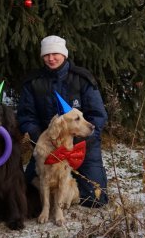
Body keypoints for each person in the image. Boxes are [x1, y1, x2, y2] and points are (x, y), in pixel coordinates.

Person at [17, 35, 108, 207]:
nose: (51, 58)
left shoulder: (82, 78)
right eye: (46, 55)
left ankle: (70, 186)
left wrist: (80, 141)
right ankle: (56, 189)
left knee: (96, 199)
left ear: (64, 54)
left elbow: (98, 115)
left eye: (55, 54)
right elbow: (25, 116)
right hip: (49, 150)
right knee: (28, 194)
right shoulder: (33, 83)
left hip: (82, 148)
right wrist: (43, 138)